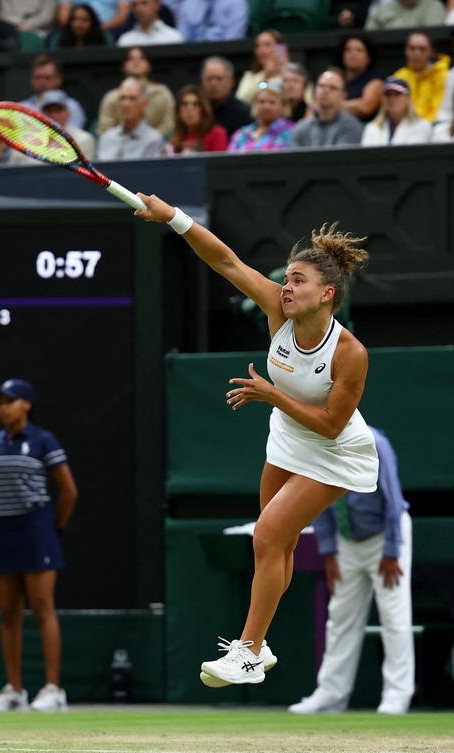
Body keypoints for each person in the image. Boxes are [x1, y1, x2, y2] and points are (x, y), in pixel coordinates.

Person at [132, 196, 376, 689]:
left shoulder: (351, 353)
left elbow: (330, 426)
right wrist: (174, 218)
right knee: (274, 544)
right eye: (285, 278)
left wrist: (272, 396)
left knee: (265, 536)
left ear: (328, 293)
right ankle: (260, 647)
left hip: (333, 450)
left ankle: (246, 651)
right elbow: (226, 261)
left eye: (298, 281)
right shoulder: (276, 309)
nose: (286, 287)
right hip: (287, 436)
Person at [288, 426, 413, 715]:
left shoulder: (376, 444)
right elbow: (316, 502)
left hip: (385, 536)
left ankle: (396, 697)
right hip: (347, 541)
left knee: (394, 618)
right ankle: (331, 695)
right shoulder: (317, 445)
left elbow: (393, 500)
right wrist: (329, 552)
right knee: (340, 619)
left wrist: (392, 550)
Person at [0, 377, 78, 714]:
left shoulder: (42, 440)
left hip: (37, 530)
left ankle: (53, 690)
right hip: (3, 531)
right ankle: (15, 691)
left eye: (9, 401)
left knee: (41, 607)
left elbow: (68, 491)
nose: (2, 408)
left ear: (26, 405)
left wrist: (54, 527)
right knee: (8, 612)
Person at [97, 47, 174, 137]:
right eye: (130, 59)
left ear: (149, 65)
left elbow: (169, 124)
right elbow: (105, 127)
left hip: (155, 147)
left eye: (142, 58)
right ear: (123, 66)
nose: (136, 62)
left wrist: (149, 140)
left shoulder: (162, 93)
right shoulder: (111, 97)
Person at [96, 78, 169, 161]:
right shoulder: (107, 138)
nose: (126, 104)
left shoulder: (154, 140)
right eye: (122, 98)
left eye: (132, 98)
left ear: (144, 104)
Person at [292, 70, 363, 148]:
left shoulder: (351, 126)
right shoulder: (301, 127)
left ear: (343, 95)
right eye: (321, 86)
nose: (325, 91)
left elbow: (341, 159)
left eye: (332, 88)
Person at [390, 31, 448, 123]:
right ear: (406, 51)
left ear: (431, 52)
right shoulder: (398, 77)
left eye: (422, 49)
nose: (417, 54)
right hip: (406, 127)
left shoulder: (445, 75)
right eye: (412, 49)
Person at [19, 55, 86, 129]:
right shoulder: (21, 108)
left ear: (59, 79)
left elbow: (74, 136)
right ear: (32, 79)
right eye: (38, 77)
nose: (42, 82)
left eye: (47, 77)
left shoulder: (72, 106)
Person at [361, 77, 432, 147]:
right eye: (388, 95)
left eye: (397, 94)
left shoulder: (422, 126)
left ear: (408, 98)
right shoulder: (372, 127)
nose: (392, 99)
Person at [228, 80, 294, 152]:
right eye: (261, 102)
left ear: (283, 106)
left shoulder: (292, 132)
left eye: (272, 102)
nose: (266, 107)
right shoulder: (242, 133)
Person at [169, 84, 228, 154]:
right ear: (178, 112)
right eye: (185, 104)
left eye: (195, 104)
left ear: (204, 109)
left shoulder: (217, 134)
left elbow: (219, 163)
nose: (189, 109)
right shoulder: (174, 138)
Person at [203, 56, 253, 137]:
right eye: (209, 79)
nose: (213, 84)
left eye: (218, 79)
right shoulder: (198, 111)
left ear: (231, 81)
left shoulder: (243, 113)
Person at [117, 0, 183, 47]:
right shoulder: (125, 40)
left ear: (157, 4)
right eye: (135, 5)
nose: (139, 8)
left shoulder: (173, 37)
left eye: (144, 3)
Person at [337, 34, 382, 122]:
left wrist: (331, 105)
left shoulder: (376, 80)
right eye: (348, 50)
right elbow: (315, 105)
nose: (352, 54)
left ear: (369, 58)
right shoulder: (336, 77)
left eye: (359, 50)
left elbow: (365, 107)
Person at [38, 90, 95, 158]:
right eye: (48, 111)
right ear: (41, 114)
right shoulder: (30, 139)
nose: (53, 115)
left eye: (58, 110)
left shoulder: (84, 138)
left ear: (68, 112)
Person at [237, 30, 290, 104]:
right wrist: (265, 76)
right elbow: (242, 100)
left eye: (267, 45)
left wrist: (287, 69)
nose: (261, 50)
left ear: (280, 48)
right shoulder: (250, 76)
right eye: (258, 46)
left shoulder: (291, 74)